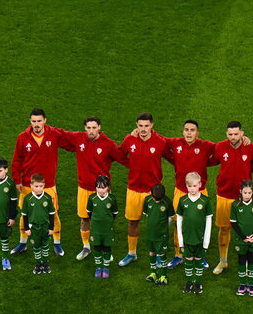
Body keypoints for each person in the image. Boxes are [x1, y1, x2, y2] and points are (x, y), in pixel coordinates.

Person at [59, 116, 128, 261]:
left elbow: (122, 157)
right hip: (84, 188)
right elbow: (61, 133)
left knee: (104, 220)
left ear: (99, 128)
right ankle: (86, 247)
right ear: (85, 128)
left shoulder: (108, 144)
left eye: (94, 127)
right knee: (85, 219)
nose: (91, 131)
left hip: (102, 189)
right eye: (89, 128)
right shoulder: (78, 138)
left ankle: (105, 247)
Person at [11, 109, 68, 257]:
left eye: (39, 121)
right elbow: (17, 160)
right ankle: (23, 243)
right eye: (34, 121)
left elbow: (72, 140)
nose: (36, 124)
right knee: (25, 214)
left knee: (53, 213)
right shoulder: (22, 138)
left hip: (48, 184)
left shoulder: (54, 134)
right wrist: (17, 180)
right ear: (30, 121)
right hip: (27, 185)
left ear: (45, 120)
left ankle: (57, 243)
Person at [162, 119, 216, 269]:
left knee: (200, 224)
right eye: (186, 129)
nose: (189, 132)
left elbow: (223, 148)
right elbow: (159, 139)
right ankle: (178, 255)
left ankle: (201, 255)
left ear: (197, 133)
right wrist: (142, 132)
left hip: (200, 191)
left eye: (192, 130)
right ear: (183, 131)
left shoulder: (205, 145)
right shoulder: (176, 143)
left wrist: (242, 139)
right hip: (180, 191)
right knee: (177, 223)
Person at [119, 113, 170, 266]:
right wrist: (132, 166)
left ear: (152, 125)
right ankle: (131, 253)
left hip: (153, 191)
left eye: (146, 126)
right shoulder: (129, 139)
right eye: (140, 126)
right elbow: (120, 155)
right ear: (136, 125)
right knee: (133, 221)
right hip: (133, 189)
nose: (143, 129)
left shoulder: (160, 141)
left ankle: (160, 254)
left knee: (156, 224)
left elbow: (172, 156)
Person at [209, 121, 253, 275]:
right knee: (224, 228)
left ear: (242, 133)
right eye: (230, 134)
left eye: (236, 134)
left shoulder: (251, 148)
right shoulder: (220, 147)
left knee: (246, 229)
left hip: (244, 198)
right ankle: (223, 261)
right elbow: (211, 159)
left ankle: (246, 260)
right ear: (226, 134)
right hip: (223, 195)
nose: (233, 137)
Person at [176, 172, 212, 294]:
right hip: (187, 238)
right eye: (190, 186)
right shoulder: (182, 200)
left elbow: (209, 221)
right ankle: (189, 282)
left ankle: (198, 283)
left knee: (198, 259)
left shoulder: (205, 200)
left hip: (200, 238)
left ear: (200, 185)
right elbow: (179, 220)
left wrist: (206, 242)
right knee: (188, 259)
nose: (192, 188)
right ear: (186, 186)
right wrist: (181, 241)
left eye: (195, 185)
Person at [229, 180, 253, 296]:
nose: (247, 195)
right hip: (241, 240)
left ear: (252, 192)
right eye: (245, 193)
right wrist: (243, 237)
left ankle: (251, 284)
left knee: (252, 260)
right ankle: (243, 284)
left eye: (249, 193)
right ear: (240, 192)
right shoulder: (235, 205)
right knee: (242, 260)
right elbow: (233, 223)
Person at [20, 174, 56, 274]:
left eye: (41, 186)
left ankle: (45, 264)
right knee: (36, 246)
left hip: (45, 226)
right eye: (36, 186)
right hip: (33, 227)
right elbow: (25, 215)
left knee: (45, 246)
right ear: (31, 185)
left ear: (44, 185)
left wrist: (51, 227)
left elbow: (51, 214)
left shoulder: (47, 198)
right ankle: (37, 265)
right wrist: (26, 228)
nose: (39, 188)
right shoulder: (28, 199)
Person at [86, 174, 119, 279]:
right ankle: (99, 267)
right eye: (98, 187)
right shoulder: (92, 198)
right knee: (97, 247)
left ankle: (106, 267)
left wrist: (107, 221)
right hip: (96, 228)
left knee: (107, 247)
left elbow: (115, 213)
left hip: (107, 228)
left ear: (107, 187)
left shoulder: (112, 199)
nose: (100, 190)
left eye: (103, 187)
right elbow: (89, 212)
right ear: (95, 187)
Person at [141, 183, 174, 285]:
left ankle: (164, 275)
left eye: (159, 199)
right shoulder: (147, 200)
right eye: (155, 199)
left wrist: (164, 228)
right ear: (151, 195)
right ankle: (153, 273)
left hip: (162, 234)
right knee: (151, 252)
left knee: (162, 253)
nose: (157, 201)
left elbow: (170, 216)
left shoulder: (167, 202)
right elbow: (147, 214)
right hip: (150, 233)